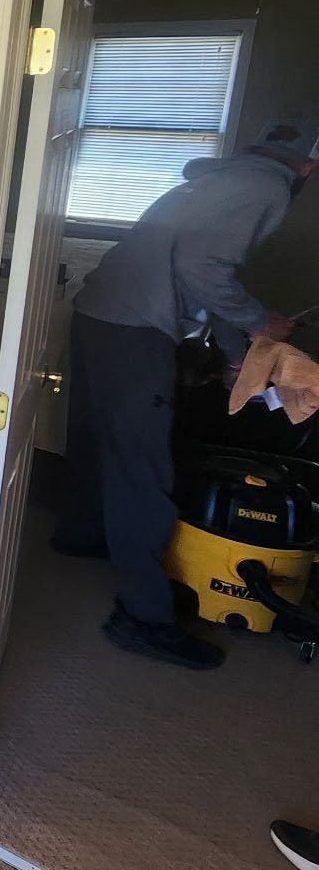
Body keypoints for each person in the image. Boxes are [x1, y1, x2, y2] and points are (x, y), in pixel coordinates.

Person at [55, 120, 318, 669]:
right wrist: (261, 321)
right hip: (135, 330)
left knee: (96, 437)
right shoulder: (267, 186)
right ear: (308, 164)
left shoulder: (220, 176)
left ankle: (81, 535)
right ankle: (144, 618)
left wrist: (233, 353)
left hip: (99, 315)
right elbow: (203, 268)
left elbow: (201, 273)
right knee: (142, 465)